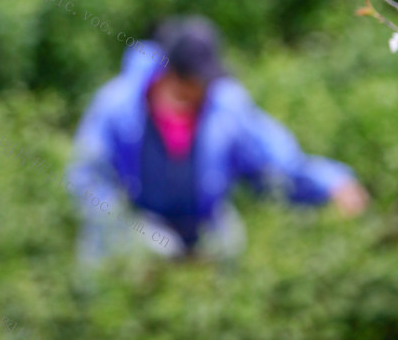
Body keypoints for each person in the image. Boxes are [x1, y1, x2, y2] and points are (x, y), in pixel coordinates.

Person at [66, 16, 369, 269]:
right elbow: (86, 179)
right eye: (188, 83)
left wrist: (331, 183)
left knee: (229, 240)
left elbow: (275, 165)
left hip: (203, 234)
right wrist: (135, 235)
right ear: (169, 74)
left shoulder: (224, 105)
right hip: (131, 233)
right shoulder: (117, 106)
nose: (197, 91)